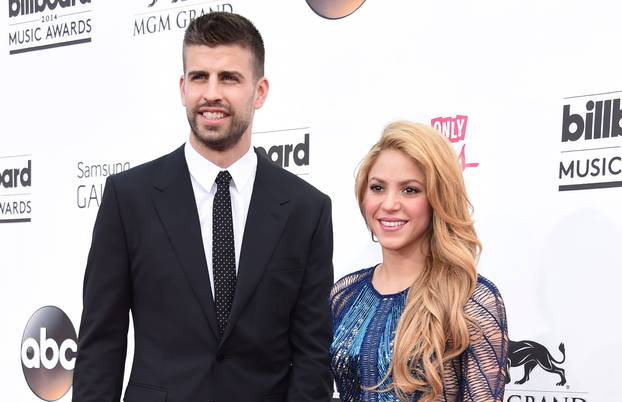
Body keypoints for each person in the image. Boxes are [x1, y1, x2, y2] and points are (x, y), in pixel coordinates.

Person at [72, 12, 334, 402]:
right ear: (182, 88)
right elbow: (101, 346)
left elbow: (313, 355)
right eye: (199, 77)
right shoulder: (128, 199)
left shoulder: (305, 209)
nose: (212, 93)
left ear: (259, 91)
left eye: (229, 78)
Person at [330, 121, 508, 402]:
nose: (389, 203)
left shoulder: (470, 300)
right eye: (377, 188)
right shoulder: (344, 293)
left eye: (409, 190)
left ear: (438, 198)